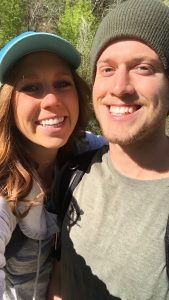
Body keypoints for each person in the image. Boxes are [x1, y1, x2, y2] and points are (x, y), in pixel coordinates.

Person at [54, 0, 169, 299]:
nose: (120, 87)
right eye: (107, 69)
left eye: (143, 68)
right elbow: (59, 274)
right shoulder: (73, 174)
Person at [0, 31, 106, 300]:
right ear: (7, 104)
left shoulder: (81, 149)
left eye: (62, 83)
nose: (51, 100)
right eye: (31, 87)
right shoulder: (4, 185)